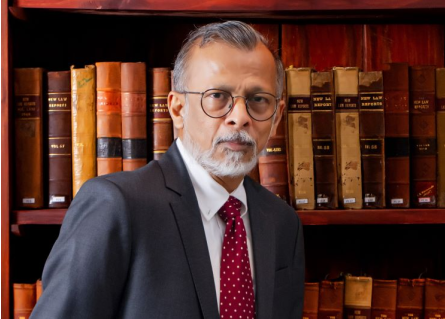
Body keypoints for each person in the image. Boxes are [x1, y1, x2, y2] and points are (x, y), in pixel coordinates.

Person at [31, 21, 304, 319]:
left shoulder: (282, 222)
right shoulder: (116, 206)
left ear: (276, 117)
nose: (239, 117)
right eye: (217, 97)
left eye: (258, 100)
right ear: (177, 109)